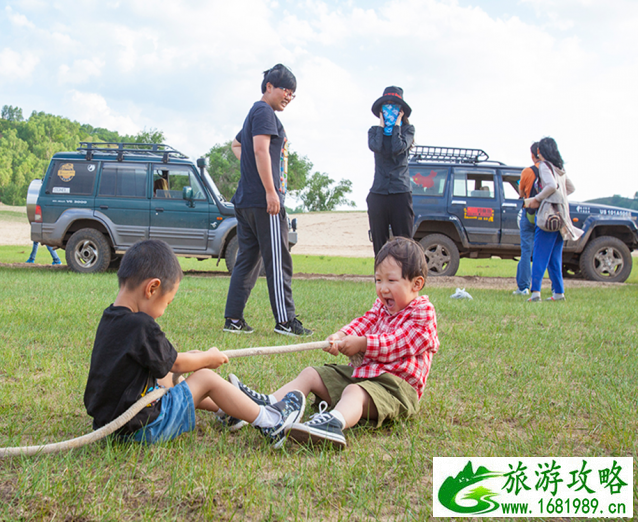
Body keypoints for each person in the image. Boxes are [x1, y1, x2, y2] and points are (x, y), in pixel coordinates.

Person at [83, 239, 306, 448]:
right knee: (205, 378)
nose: (163, 311)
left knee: (168, 377)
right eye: (167, 302)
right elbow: (177, 364)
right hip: (141, 428)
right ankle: (272, 422)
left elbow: (159, 363)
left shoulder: (110, 317)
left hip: (110, 425)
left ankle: (229, 410)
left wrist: (194, 356)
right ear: (152, 288)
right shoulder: (141, 324)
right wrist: (208, 358)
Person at [226, 237, 439, 449]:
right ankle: (269, 407)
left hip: (396, 389)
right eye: (378, 280)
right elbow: (365, 322)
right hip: (365, 376)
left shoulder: (423, 312)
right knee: (311, 374)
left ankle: (333, 423)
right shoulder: (382, 307)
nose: (383, 288)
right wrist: (341, 335)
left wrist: (362, 343)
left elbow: (397, 343)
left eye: (391, 281)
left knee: (354, 392)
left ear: (416, 283)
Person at [223, 64, 312, 337]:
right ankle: (285, 321)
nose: (288, 96)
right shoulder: (264, 112)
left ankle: (233, 319)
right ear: (269, 87)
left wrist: (251, 170)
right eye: (286, 89)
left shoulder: (256, 112)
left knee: (248, 259)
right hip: (264, 202)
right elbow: (261, 150)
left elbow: (237, 145)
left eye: (293, 93)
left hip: (246, 200)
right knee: (277, 258)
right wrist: (271, 191)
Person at [523, 137, 583, 302]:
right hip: (562, 217)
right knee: (555, 257)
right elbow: (570, 188)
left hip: (548, 217)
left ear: (540, 152)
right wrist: (558, 199)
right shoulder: (559, 168)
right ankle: (558, 293)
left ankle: (535, 293)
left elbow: (551, 186)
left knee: (539, 255)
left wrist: (539, 199)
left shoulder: (544, 166)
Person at [367, 86, 416, 256]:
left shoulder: (408, 131)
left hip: (400, 193)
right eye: (386, 105)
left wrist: (396, 125)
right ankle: (380, 280)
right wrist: (381, 126)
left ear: (401, 110)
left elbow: (398, 147)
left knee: (404, 245)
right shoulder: (374, 132)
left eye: (393, 105)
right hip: (378, 192)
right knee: (379, 245)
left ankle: (404, 281)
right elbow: (375, 146)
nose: (389, 108)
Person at [513, 141, 541, 296]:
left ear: (532, 155)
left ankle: (523, 286)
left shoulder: (527, 172)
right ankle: (539, 286)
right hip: (545, 214)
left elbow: (522, 193)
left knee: (526, 251)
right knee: (540, 251)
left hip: (529, 212)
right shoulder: (550, 172)